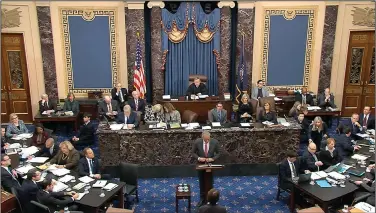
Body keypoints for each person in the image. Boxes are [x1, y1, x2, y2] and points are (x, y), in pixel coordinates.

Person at [191, 131, 220, 206]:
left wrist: (212, 159)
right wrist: (199, 158)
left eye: (208, 140)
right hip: (201, 164)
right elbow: (193, 153)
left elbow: (219, 153)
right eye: (206, 140)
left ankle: (211, 198)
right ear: (202, 138)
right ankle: (202, 198)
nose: (207, 141)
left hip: (210, 164)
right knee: (201, 181)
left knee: (210, 181)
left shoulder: (215, 142)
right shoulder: (197, 142)